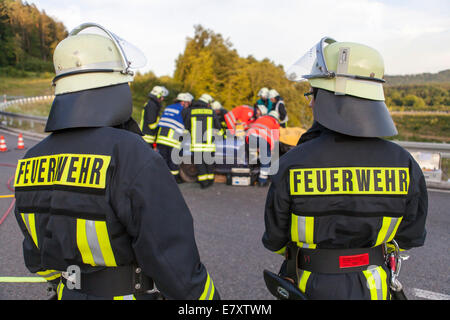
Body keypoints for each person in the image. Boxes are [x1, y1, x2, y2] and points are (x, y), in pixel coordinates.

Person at [13, 23, 220, 300]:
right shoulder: (132, 155)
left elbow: (35, 253)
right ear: (115, 85)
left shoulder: (30, 160)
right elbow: (174, 264)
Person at [262, 37, 427, 300]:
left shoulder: (293, 163)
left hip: (307, 287)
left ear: (330, 95)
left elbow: (275, 239)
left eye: (312, 93)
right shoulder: (404, 163)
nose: (310, 102)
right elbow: (410, 237)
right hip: (375, 288)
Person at [183, 93, 221, 189]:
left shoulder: (192, 111)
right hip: (209, 143)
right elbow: (218, 126)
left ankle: (204, 183)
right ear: (207, 102)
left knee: (200, 163)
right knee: (209, 162)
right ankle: (210, 180)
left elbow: (186, 126)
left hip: (196, 143)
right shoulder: (211, 111)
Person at [156, 92, 194, 183]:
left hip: (161, 139)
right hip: (173, 141)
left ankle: (160, 180)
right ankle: (173, 181)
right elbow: (186, 127)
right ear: (183, 102)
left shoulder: (168, 108)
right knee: (174, 162)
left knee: (162, 161)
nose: (188, 105)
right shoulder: (184, 110)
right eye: (188, 103)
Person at [246, 110, 280, 187]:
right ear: (276, 118)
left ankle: (250, 176)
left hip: (251, 136)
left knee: (251, 158)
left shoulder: (261, 118)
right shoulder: (275, 122)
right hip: (264, 138)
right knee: (265, 159)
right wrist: (273, 150)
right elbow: (276, 137)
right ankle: (262, 181)